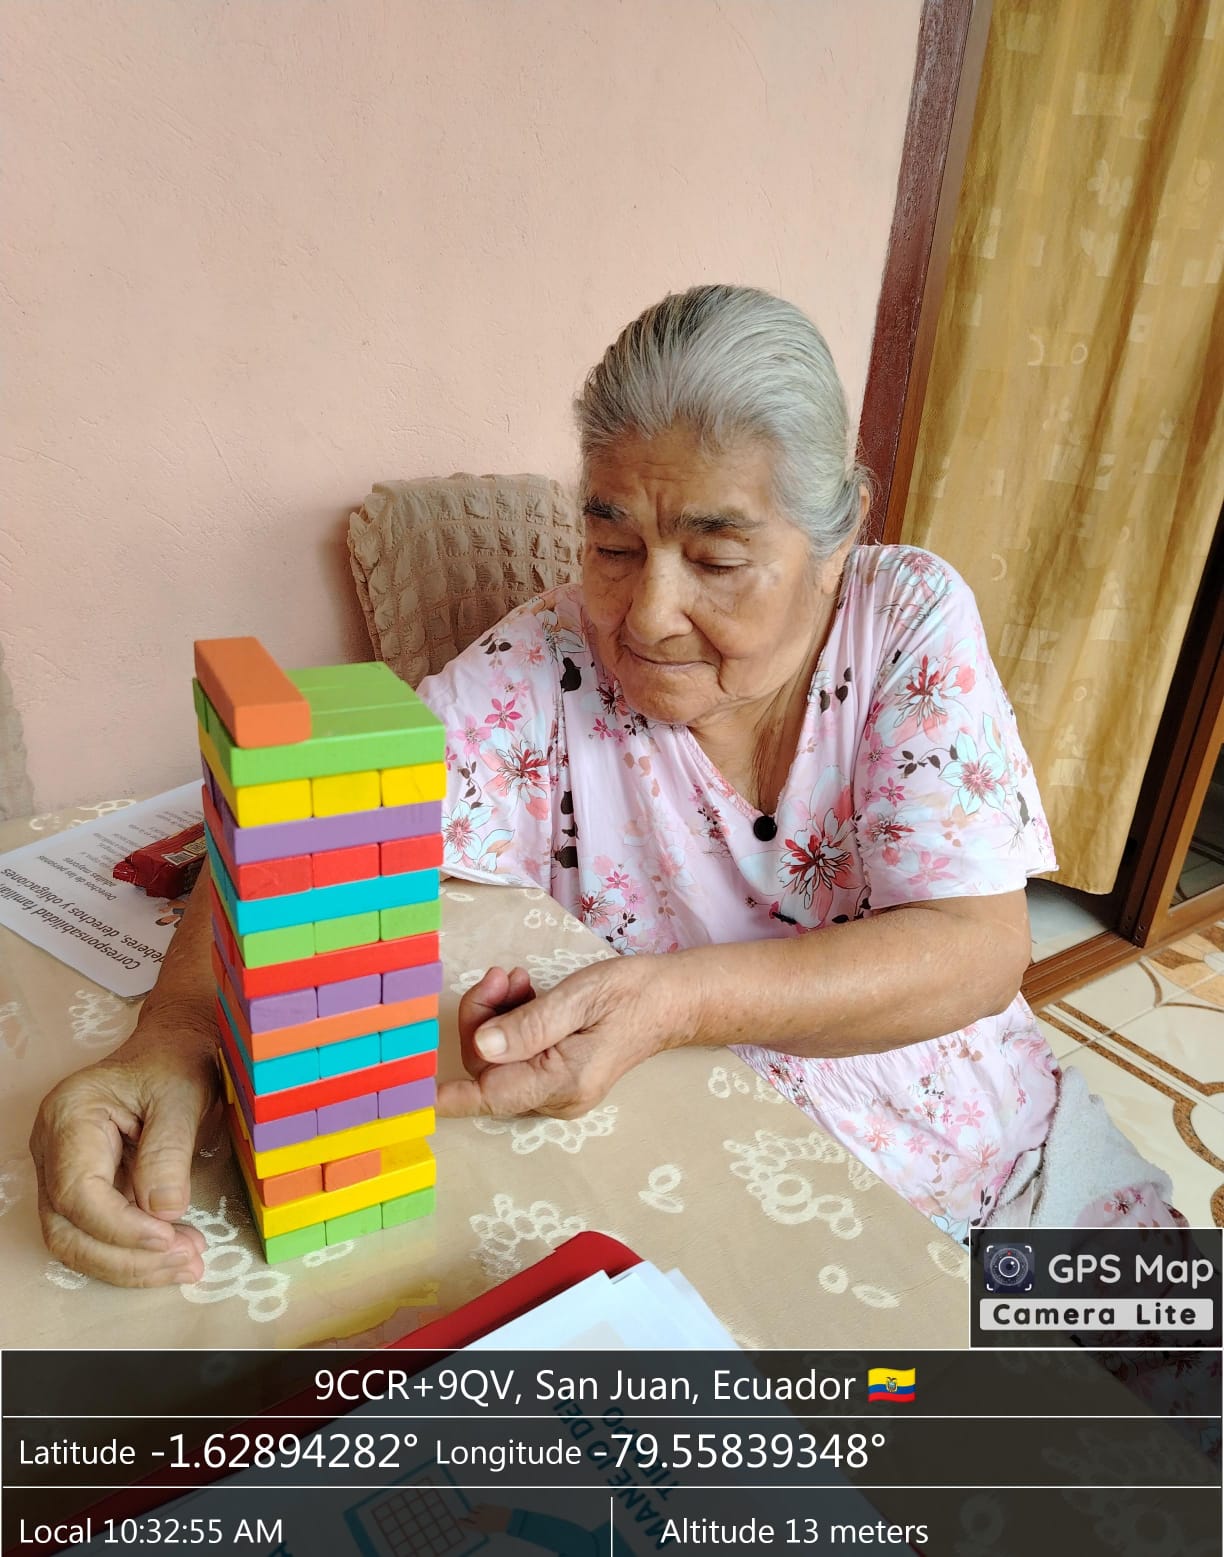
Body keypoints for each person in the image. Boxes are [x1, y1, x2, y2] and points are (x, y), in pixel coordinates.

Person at [29, 285, 1181, 1288]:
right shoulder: (548, 663)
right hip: (758, 1189)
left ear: (837, 537)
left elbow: (977, 950)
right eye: (614, 547)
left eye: (718, 559)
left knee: (1167, 1421)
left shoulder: (905, 620)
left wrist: (673, 1001)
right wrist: (173, 1031)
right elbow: (309, 816)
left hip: (1009, 1166)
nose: (649, 614)